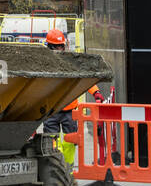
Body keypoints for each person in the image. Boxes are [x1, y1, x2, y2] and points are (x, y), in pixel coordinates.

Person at [40, 28, 105, 167]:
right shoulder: (44, 65)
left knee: (71, 142)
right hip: (51, 111)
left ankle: (68, 171)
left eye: (61, 46)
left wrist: (96, 92)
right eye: (57, 46)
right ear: (49, 47)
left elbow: (84, 79)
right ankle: (56, 170)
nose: (60, 49)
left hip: (69, 111)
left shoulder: (72, 63)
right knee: (52, 143)